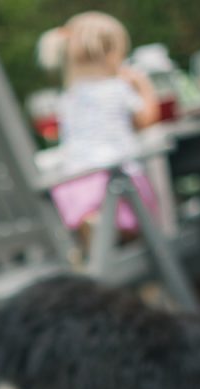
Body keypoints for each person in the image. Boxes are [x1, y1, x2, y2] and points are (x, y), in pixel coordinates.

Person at [39, 11, 162, 247]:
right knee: (139, 220)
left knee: (106, 228)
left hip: (75, 183)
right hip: (116, 180)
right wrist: (143, 85)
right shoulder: (118, 88)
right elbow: (147, 119)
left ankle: (97, 231)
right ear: (112, 55)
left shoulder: (68, 97)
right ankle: (118, 233)